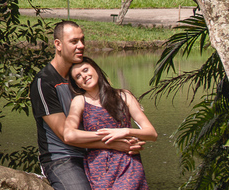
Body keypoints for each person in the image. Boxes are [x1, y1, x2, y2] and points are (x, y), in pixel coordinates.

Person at [31, 21, 142, 190]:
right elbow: (65, 135)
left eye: (82, 40)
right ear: (58, 44)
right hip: (63, 158)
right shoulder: (44, 82)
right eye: (74, 41)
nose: (81, 45)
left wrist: (128, 139)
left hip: (93, 152)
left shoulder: (82, 77)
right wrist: (113, 143)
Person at [63, 57, 157, 190]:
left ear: (96, 69)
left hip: (128, 162)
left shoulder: (123, 96)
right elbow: (69, 135)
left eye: (85, 70)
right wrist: (107, 136)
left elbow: (151, 133)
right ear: (78, 85)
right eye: (78, 76)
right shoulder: (80, 101)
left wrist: (125, 131)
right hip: (98, 167)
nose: (84, 76)